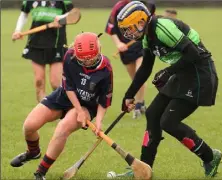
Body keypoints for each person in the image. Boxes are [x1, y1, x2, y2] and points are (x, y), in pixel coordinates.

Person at [116, 1, 222, 178]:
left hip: (199, 74)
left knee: (168, 122)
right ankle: (143, 169)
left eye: (129, 28)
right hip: (182, 73)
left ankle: (210, 156)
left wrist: (167, 72)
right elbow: (146, 68)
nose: (128, 33)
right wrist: (129, 95)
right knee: (153, 114)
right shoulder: (146, 37)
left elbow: (194, 54)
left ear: (141, 21)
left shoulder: (161, 27)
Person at [10, 32, 113, 180]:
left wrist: (98, 121)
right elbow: (69, 87)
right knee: (29, 126)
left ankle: (40, 173)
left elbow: (105, 98)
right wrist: (77, 110)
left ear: (98, 51)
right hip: (64, 96)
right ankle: (33, 152)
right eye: (82, 60)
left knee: (62, 128)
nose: (86, 63)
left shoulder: (106, 68)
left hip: (88, 104)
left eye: (90, 59)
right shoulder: (70, 56)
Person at [12, 1, 75, 102]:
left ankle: (63, 111)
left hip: (56, 43)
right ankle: (42, 111)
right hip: (36, 43)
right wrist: (18, 30)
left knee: (55, 83)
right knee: (39, 81)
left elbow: (74, 14)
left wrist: (61, 18)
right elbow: (24, 14)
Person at [105, 0, 155, 119]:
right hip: (126, 49)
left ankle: (138, 104)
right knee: (134, 79)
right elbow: (110, 29)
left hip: (141, 45)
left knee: (140, 74)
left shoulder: (144, 5)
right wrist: (118, 44)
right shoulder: (118, 8)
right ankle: (141, 103)